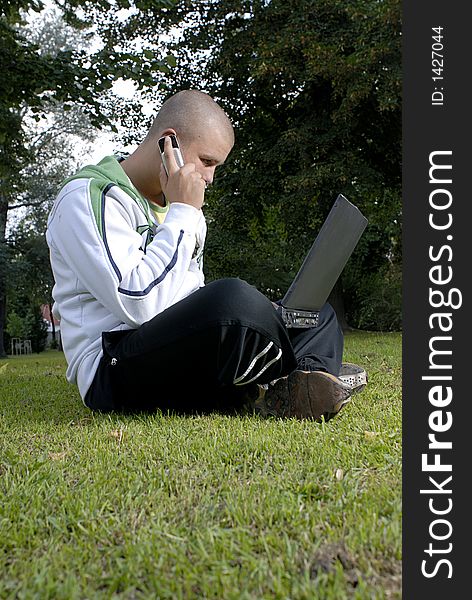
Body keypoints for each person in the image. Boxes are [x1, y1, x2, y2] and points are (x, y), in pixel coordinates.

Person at [46, 89, 366, 418]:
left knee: (315, 314)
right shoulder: (88, 196)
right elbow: (138, 304)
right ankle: (289, 375)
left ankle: (304, 383)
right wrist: (184, 212)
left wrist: (269, 313)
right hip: (113, 367)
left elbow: (186, 296)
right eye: (207, 161)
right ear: (168, 143)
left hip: (175, 349)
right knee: (234, 300)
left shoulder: (180, 208)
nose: (210, 178)